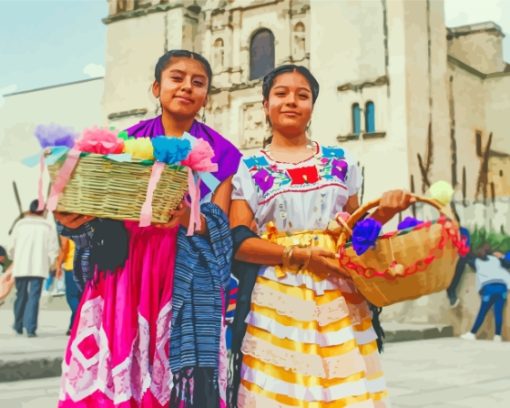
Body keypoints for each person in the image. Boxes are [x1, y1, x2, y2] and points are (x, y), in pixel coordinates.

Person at [57, 50, 241, 407]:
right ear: (156, 87)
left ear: (207, 95)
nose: (187, 86)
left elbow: (220, 231)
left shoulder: (223, 154)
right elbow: (98, 211)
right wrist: (72, 220)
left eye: (198, 82)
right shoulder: (123, 144)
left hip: (183, 278)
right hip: (125, 272)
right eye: (177, 78)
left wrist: (192, 218)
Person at [229, 65, 413, 407]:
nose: (291, 102)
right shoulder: (247, 166)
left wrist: (386, 212)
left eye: (303, 95)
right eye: (281, 93)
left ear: (313, 105)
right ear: (265, 103)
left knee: (341, 386)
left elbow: (359, 240)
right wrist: (298, 257)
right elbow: (239, 243)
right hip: (277, 295)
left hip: (338, 293)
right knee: (281, 389)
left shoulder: (341, 161)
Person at [7, 199, 59, 337]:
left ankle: (18, 325)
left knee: (21, 295)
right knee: (34, 297)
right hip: (39, 266)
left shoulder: (20, 224)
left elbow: (11, 247)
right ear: (43, 211)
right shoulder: (48, 227)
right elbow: (53, 250)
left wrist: (15, 258)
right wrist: (52, 262)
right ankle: (30, 328)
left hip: (21, 265)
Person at [460, 244, 510, 342]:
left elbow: (466, 258)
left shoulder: (476, 261)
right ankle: (497, 336)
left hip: (489, 288)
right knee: (498, 312)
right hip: (502, 288)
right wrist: (502, 256)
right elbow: (507, 264)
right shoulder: (497, 260)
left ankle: (472, 333)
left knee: (482, 312)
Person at [55, 236, 80, 335]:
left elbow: (64, 246)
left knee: (72, 297)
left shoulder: (68, 228)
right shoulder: (90, 227)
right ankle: (72, 326)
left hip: (72, 267)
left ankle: (81, 317)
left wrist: (59, 265)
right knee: (81, 297)